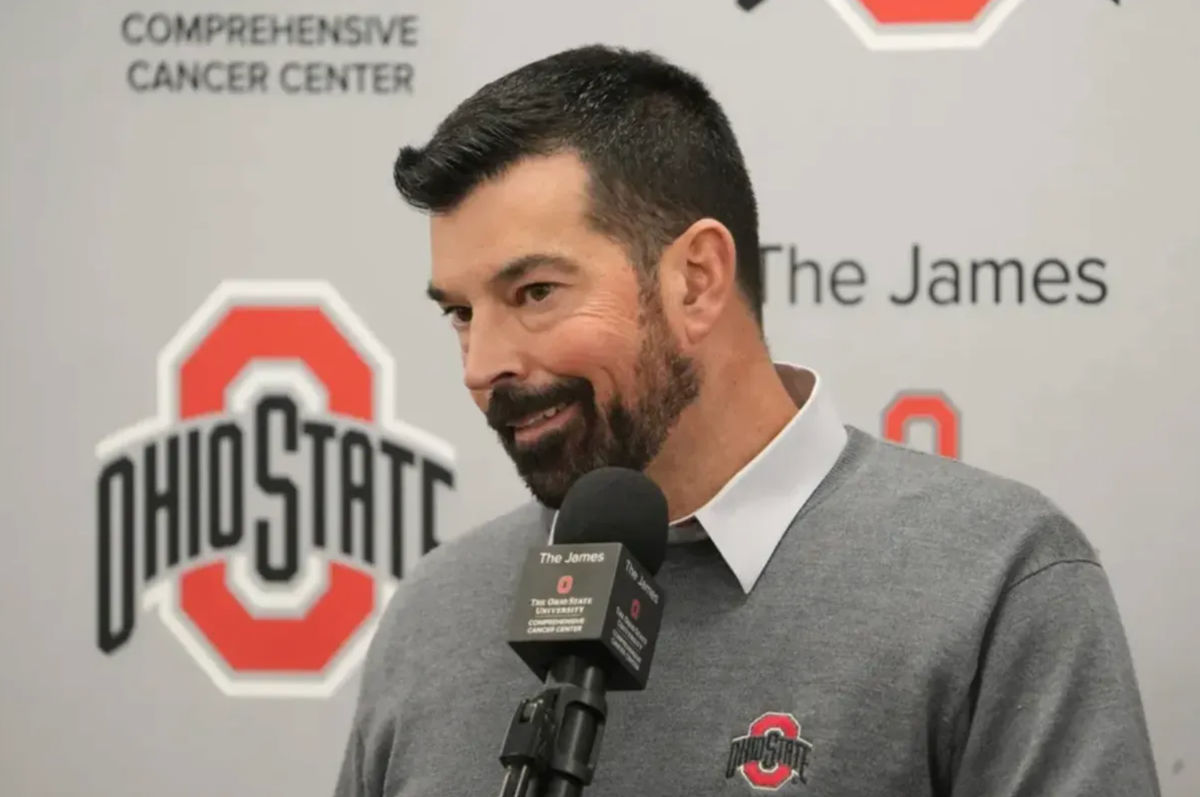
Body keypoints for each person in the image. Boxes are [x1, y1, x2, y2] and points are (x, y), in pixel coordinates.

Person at [334, 45, 1160, 796]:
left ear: (696, 280)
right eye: (461, 313)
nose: (482, 364)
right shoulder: (436, 612)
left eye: (535, 293)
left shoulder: (995, 581)